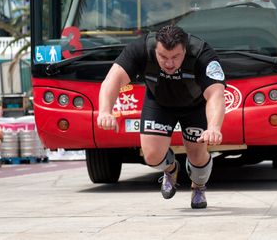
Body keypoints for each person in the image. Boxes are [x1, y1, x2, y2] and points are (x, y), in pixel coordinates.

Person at [97, 25, 226, 209]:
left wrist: (214, 127)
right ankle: (171, 169)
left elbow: (216, 94)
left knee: (197, 156)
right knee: (151, 156)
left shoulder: (202, 53)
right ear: (155, 48)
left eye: (175, 57)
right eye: (163, 57)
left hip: (194, 106)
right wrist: (105, 111)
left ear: (185, 49)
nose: (169, 64)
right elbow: (113, 79)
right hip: (159, 103)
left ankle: (198, 186)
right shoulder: (141, 48)